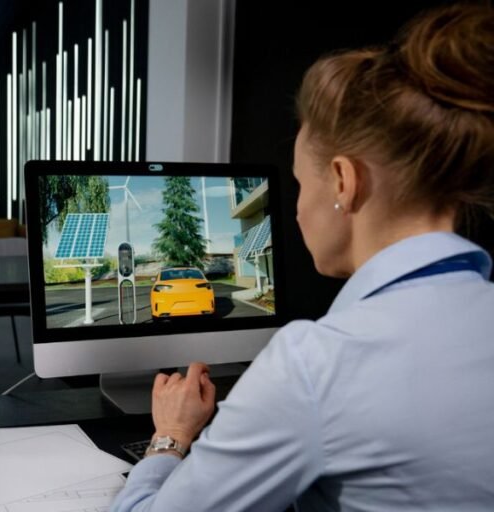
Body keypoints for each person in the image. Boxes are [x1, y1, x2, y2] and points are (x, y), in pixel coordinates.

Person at [113, 4, 494, 511]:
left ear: (343, 181)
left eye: (299, 183)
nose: (294, 210)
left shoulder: (316, 366)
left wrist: (171, 437)